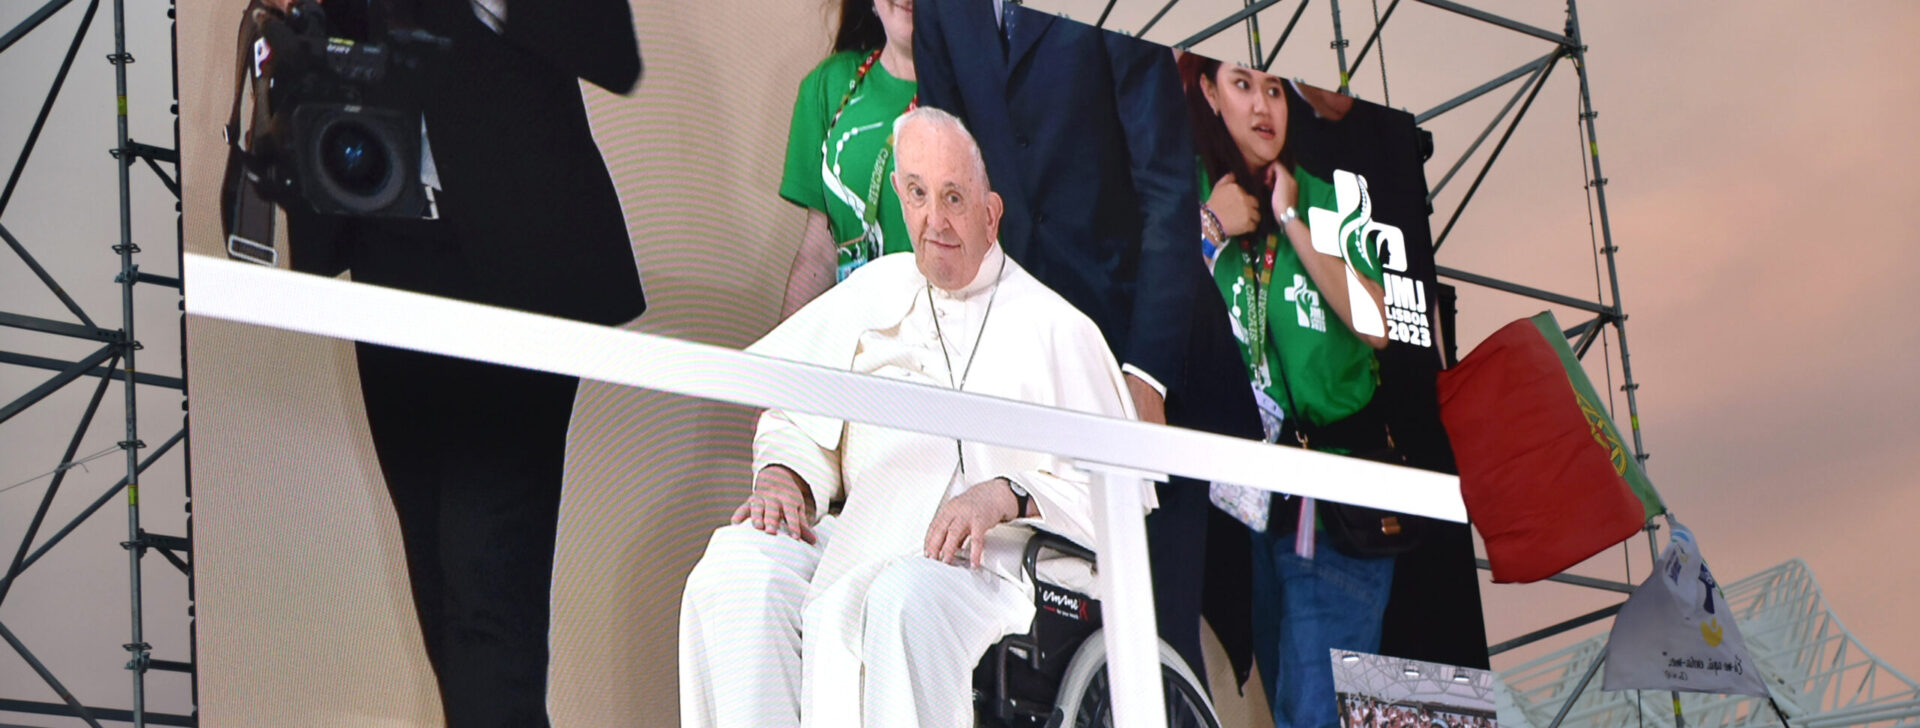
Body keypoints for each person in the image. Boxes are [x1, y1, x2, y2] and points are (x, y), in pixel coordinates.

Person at [238, 0, 645, 724]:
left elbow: (612, 50)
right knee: (440, 594)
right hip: (387, 262)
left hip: (518, 280)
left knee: (489, 595)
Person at [677, 107, 1147, 728]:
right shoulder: (875, 289)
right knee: (733, 571)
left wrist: (1006, 494)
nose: (935, 220)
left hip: (989, 571)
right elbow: (799, 411)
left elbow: (1119, 492)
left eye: (954, 198)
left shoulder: (1056, 327)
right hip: (854, 538)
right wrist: (786, 474)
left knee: (902, 601)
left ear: (991, 213)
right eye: (919, 194)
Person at [913, 0, 1264, 683]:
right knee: (1046, 655)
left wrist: (1145, 381)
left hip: (1151, 353)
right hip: (1030, 376)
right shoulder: (941, 11)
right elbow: (950, 194)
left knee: (1155, 650)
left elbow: (1165, 191)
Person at [1180, 56, 1396, 728]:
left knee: (1314, 712)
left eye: (1275, 88)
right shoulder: (1194, 199)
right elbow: (1151, 315)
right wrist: (1212, 227)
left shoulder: (1329, 196)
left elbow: (1378, 325)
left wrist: (1294, 221)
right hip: (1250, 513)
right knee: (1284, 706)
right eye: (1243, 85)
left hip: (1337, 502)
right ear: (1211, 93)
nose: (1263, 106)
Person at [777, 0, 920, 318]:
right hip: (853, 344)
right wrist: (777, 359)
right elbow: (819, 253)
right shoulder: (829, 85)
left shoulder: (983, 99)